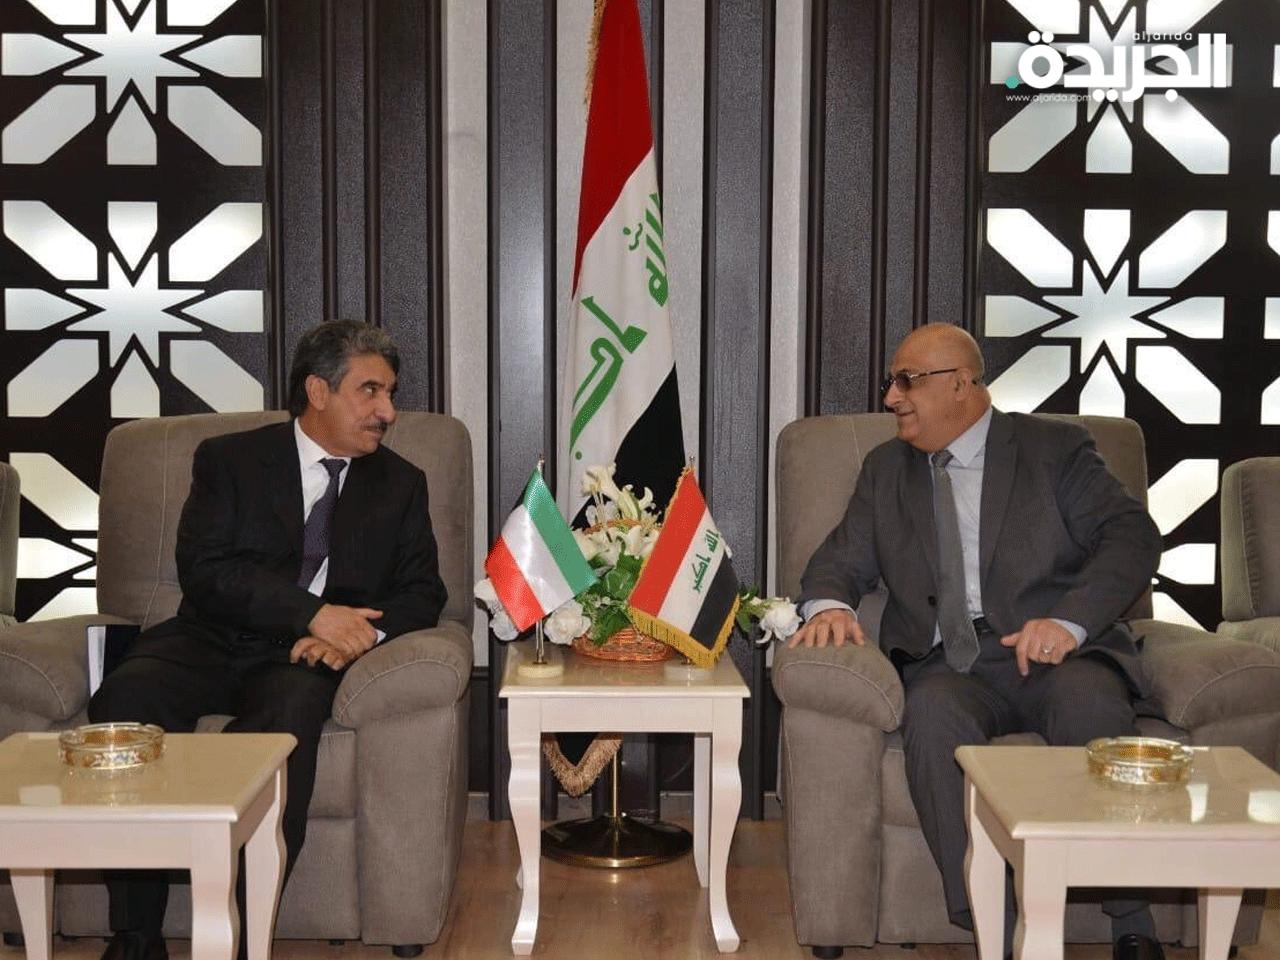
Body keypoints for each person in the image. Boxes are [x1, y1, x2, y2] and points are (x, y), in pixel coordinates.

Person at [788, 324, 1164, 960]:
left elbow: (1132, 536)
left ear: (961, 384)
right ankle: (991, 922)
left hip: (1056, 658)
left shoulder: (1054, 448)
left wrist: (1068, 622)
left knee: (1090, 706)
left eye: (907, 380)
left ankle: (1132, 920)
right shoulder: (886, 469)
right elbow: (838, 561)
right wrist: (828, 606)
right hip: (950, 666)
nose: (891, 396)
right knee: (932, 714)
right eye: (891, 382)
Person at [88, 320, 447, 960]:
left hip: (300, 662)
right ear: (318, 390)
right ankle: (135, 937)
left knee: (283, 726)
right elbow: (206, 569)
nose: (387, 411)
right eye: (370, 391)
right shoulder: (229, 460)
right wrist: (316, 614)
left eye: (390, 394)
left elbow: (423, 593)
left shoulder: (401, 483)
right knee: (125, 703)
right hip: (207, 636)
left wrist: (357, 636)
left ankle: (244, 936)